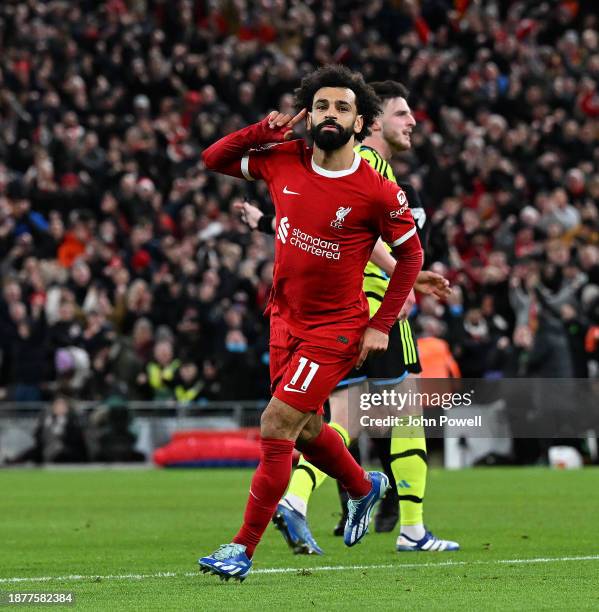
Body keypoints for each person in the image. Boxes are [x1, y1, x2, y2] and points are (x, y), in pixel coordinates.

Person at [198, 65, 423, 582]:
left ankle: (241, 549)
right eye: (321, 106)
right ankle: (364, 488)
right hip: (284, 319)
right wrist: (263, 131)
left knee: (276, 424)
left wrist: (381, 324)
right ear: (309, 114)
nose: (330, 115)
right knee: (304, 430)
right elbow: (214, 159)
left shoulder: (377, 190)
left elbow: (411, 257)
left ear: (360, 121)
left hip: (338, 328)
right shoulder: (285, 159)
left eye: (342, 108)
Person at [240, 81, 459, 554]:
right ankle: (408, 527)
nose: (412, 123)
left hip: (329, 313)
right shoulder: (367, 167)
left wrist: (410, 274)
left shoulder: (335, 162)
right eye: (402, 115)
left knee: (334, 416)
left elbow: (313, 226)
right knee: (397, 414)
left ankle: (309, 498)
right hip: (368, 310)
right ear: (372, 122)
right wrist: (400, 287)